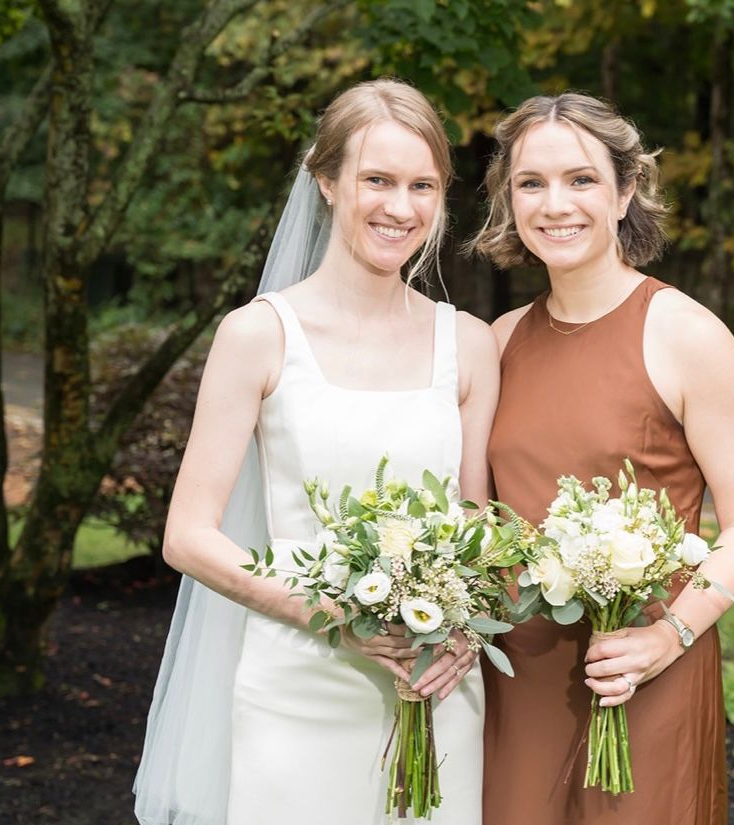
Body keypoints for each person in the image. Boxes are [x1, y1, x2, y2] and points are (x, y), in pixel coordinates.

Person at [133, 78, 499, 825]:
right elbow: (188, 537)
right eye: (377, 179)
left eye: (422, 185)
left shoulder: (466, 342)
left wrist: (466, 621)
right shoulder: (259, 335)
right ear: (326, 181)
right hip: (298, 687)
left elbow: (474, 520)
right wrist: (342, 618)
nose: (401, 207)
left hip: (436, 687)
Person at [471, 92, 734, 824]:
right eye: (531, 183)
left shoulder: (686, 335)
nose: (555, 204)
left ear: (625, 190)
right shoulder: (499, 339)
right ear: (509, 199)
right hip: (522, 672)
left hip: (642, 667)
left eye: (581, 179)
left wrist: (668, 635)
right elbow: (478, 510)